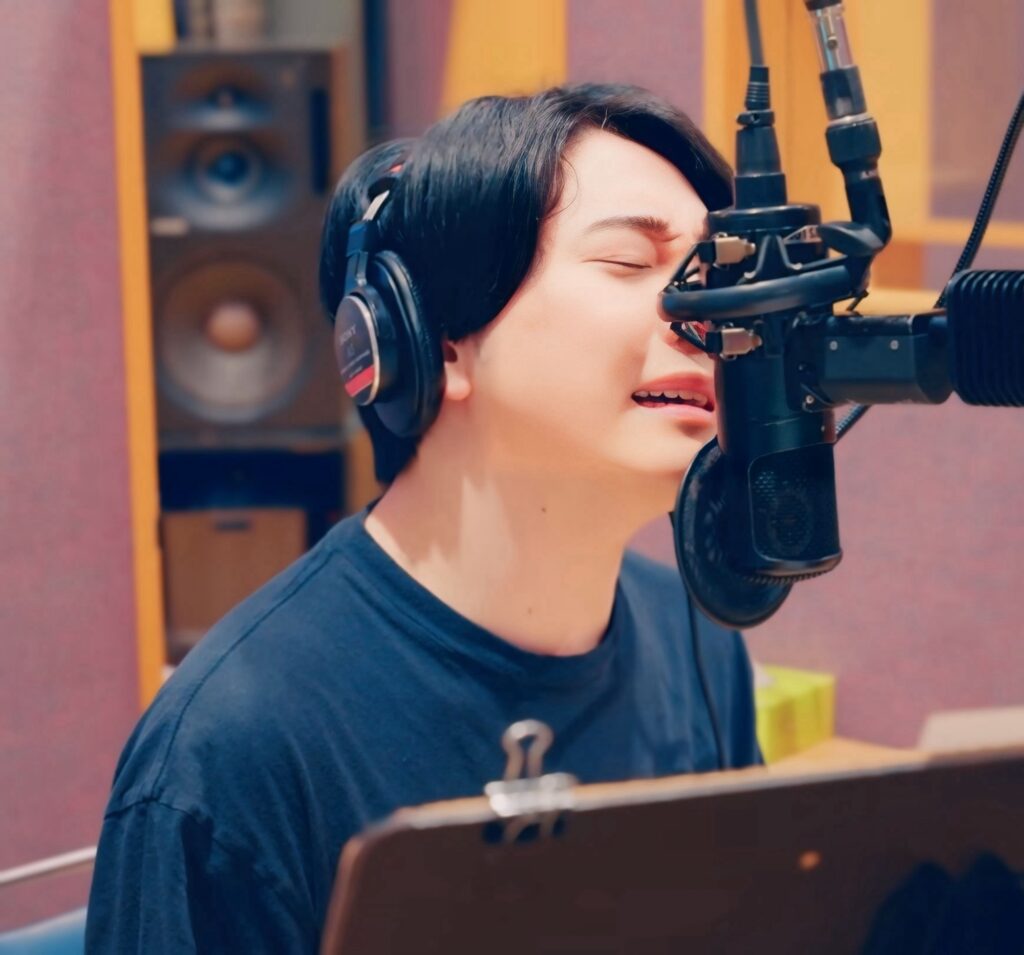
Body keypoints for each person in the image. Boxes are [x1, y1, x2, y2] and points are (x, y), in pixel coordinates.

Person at [85, 83, 761, 953]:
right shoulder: (231, 748)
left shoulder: (699, 639)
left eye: (715, 274)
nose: (710, 318)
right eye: (631, 261)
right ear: (435, 340)